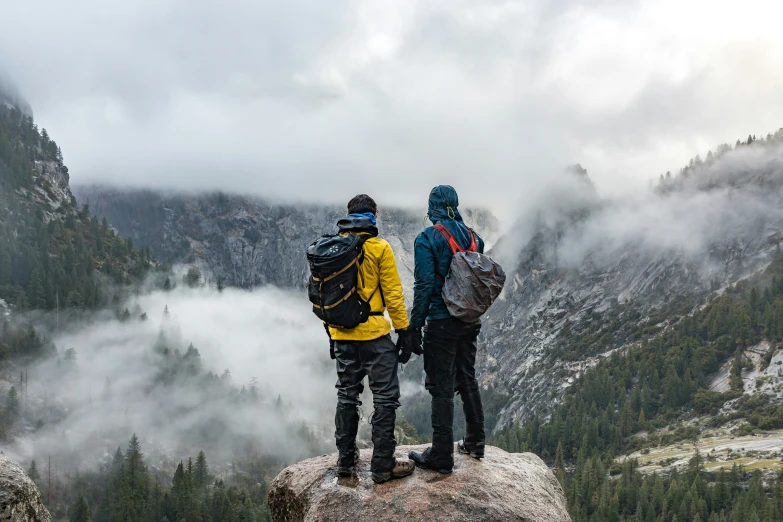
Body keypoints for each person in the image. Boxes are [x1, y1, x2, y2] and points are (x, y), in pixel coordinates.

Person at [329, 194, 417, 484]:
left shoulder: (332, 249)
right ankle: (382, 465)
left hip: (341, 335)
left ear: (349, 215)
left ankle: (345, 461)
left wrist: (332, 334)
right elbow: (393, 294)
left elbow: (325, 299)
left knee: (346, 396)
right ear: (374, 216)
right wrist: (404, 331)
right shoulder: (379, 247)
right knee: (385, 399)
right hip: (375, 336)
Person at [408, 185, 486, 474]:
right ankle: (476, 442)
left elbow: (425, 285)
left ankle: (441, 455)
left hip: (441, 322)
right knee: (467, 377)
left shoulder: (427, 239)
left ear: (433, 207)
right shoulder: (476, 239)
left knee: (441, 387)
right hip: (469, 320)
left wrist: (414, 326)